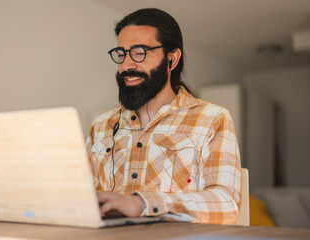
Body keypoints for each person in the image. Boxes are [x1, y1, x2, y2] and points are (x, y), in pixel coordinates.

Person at [86, 8, 241, 224]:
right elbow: (81, 198)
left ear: (172, 59)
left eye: (139, 52)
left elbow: (226, 204)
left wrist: (142, 204)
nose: (127, 65)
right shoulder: (101, 126)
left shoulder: (212, 119)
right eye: (121, 54)